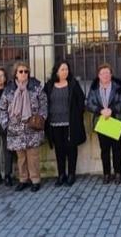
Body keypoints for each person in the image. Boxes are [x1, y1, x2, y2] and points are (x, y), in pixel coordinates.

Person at [0, 61, 47, 192]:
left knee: (33, 157)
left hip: (33, 127)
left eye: (26, 71)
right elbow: (2, 108)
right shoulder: (9, 90)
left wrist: (41, 118)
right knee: (21, 158)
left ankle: (35, 180)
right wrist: (6, 124)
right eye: (21, 71)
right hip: (16, 129)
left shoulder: (36, 87)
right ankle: (23, 179)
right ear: (16, 73)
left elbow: (44, 104)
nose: (23, 74)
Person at [43, 59, 86, 187]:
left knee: (71, 149)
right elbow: (44, 102)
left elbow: (81, 100)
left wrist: (76, 116)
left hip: (70, 123)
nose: (65, 72)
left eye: (66, 69)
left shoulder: (73, 84)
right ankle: (61, 174)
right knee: (59, 150)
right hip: (54, 123)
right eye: (62, 69)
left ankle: (71, 174)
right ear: (56, 71)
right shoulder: (49, 85)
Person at [86, 63, 121, 184]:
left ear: (111, 74)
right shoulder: (94, 88)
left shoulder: (117, 87)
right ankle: (106, 173)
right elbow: (89, 104)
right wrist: (100, 110)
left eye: (107, 73)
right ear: (98, 75)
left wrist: (112, 110)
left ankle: (118, 172)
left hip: (115, 120)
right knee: (104, 150)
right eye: (102, 73)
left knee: (117, 149)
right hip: (101, 121)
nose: (105, 75)